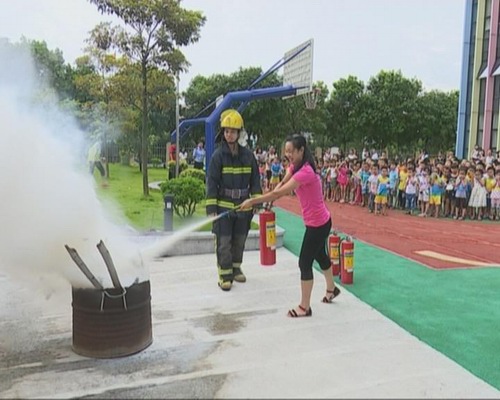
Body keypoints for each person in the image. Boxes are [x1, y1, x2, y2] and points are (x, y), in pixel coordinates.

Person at [240, 134, 340, 318]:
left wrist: (254, 201)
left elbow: (281, 192)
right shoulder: (295, 166)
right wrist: (270, 194)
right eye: (285, 151)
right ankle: (332, 288)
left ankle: (305, 307)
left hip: (319, 224)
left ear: (301, 150)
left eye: (291, 151)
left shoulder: (306, 172)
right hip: (319, 221)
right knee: (320, 255)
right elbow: (283, 183)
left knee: (304, 262)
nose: (287, 155)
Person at [206, 109, 262, 291]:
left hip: (243, 207)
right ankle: (224, 274)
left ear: (239, 133)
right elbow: (212, 183)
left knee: (240, 240)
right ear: (223, 133)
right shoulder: (217, 156)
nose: (230, 135)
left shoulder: (248, 156)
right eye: (227, 131)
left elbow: (255, 180)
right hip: (223, 207)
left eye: (233, 131)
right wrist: (211, 207)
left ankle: (236, 268)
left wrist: (256, 201)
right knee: (224, 242)